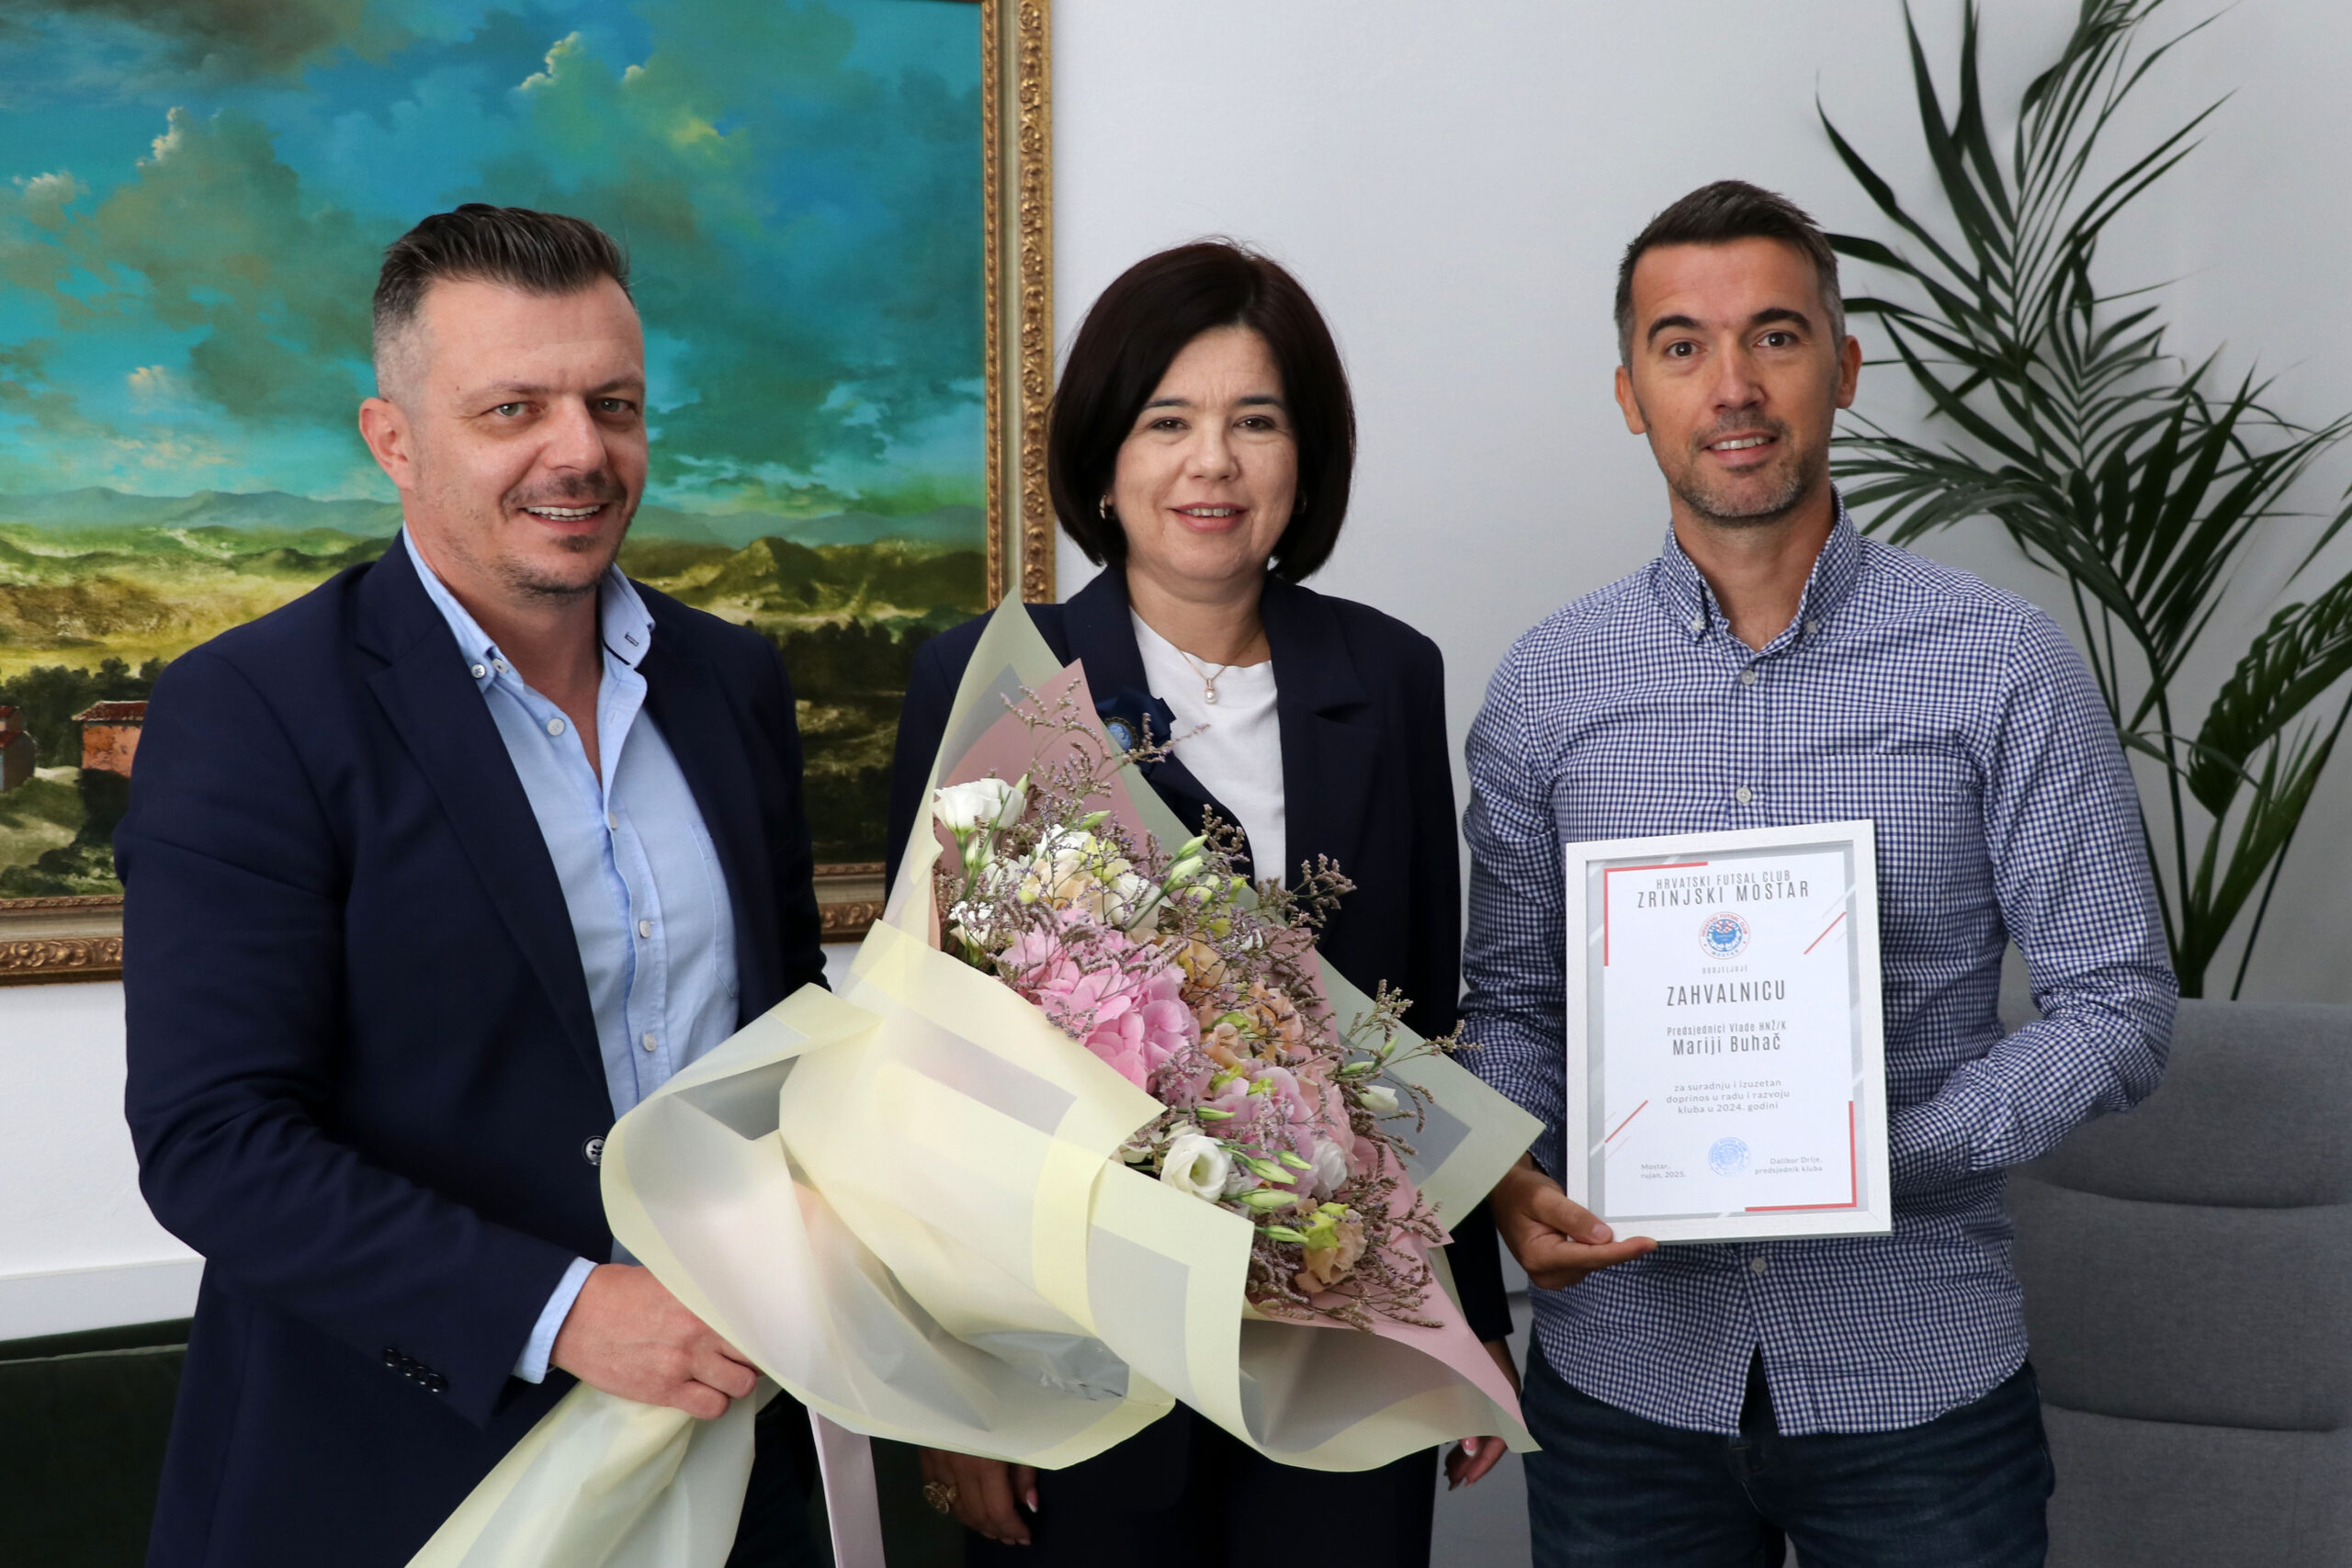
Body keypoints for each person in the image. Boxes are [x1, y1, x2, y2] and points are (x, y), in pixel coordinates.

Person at [1462, 178, 2177, 1566]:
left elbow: (2118, 1007)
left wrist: (1867, 1161)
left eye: (1776, 337)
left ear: (1843, 367)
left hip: (1917, 1379)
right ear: (1630, 394)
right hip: (1625, 1383)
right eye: (1682, 346)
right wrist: (1514, 1178)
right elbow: (1512, 1007)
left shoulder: (2001, 663)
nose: (1732, 385)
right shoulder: (1548, 687)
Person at [119, 206, 830, 1568]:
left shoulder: (732, 681)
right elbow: (214, 1141)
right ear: (393, 439)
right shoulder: (252, 710)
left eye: (613, 404)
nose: (581, 452)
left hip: (737, 1446)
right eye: (514, 408)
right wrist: (564, 1311)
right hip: (399, 1483)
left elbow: (787, 1030)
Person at [884, 241, 1517, 1566]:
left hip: (1339, 1326)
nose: (1212, 464)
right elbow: (928, 1060)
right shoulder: (995, 678)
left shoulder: (1390, 673)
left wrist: (1464, 1318)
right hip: (1077, 1354)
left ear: (1307, 455)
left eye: (1256, 422)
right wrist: (961, 1387)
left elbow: (1420, 1025)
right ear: (1105, 458)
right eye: (1168, 422)